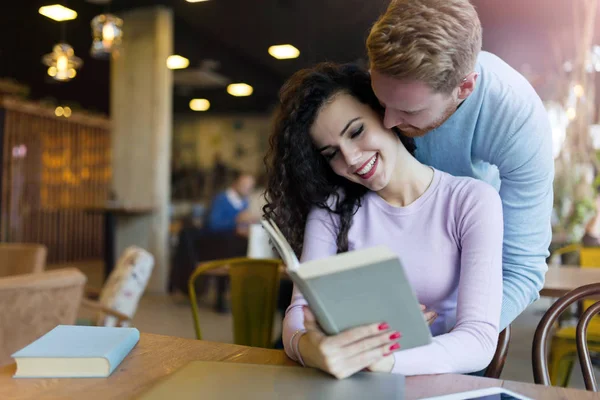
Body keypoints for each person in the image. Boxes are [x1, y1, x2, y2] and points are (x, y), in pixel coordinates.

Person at [264, 63, 504, 378]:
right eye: (331, 153)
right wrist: (314, 351)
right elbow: (298, 315)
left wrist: (385, 360)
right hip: (355, 384)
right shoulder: (332, 209)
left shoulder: (471, 200)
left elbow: (479, 340)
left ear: (386, 114)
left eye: (356, 131)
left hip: (442, 384)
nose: (349, 158)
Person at [366, 0, 554, 331]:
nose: (387, 122)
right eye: (381, 102)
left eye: (409, 112)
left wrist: (460, 335)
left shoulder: (516, 118)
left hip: (466, 295)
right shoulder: (384, 86)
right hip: (372, 289)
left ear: (464, 87)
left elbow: (521, 269)